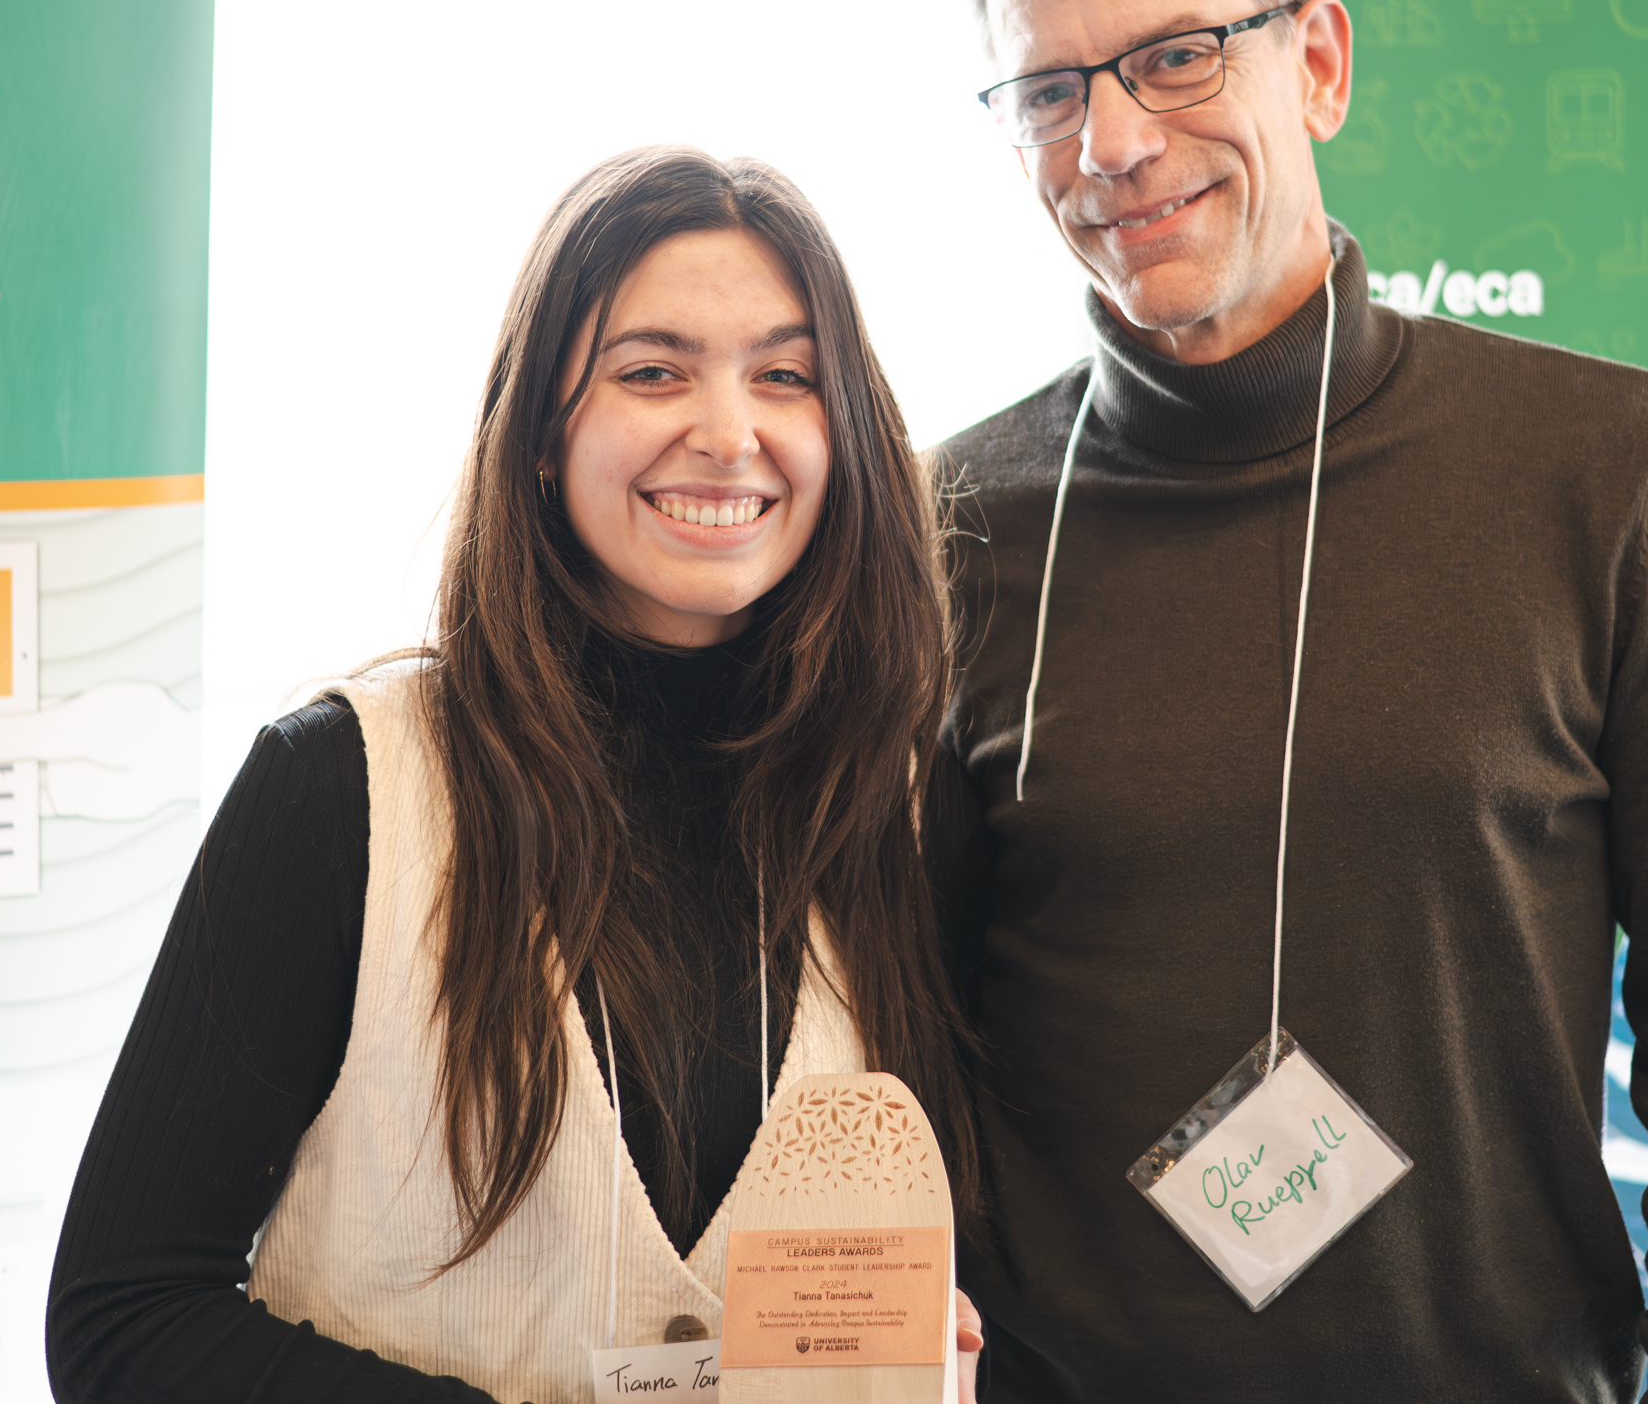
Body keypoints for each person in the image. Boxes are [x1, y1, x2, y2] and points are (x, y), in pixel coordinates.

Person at [925, 0, 1648, 1399]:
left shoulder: (1602, 463)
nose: (1115, 141)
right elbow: (893, 1043)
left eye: (1176, 56)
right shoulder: (942, 524)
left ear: (1322, 63)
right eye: (1049, 87)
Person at [49, 147, 983, 1403]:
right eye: (651, 371)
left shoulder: (887, 801)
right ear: (543, 432)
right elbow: (124, 1318)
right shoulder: (343, 784)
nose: (727, 430)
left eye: (785, 375)